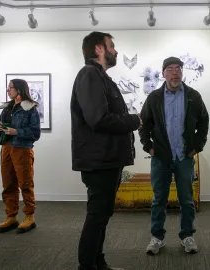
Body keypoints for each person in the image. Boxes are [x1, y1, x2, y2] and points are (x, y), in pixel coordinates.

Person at [71, 31, 141, 270]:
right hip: (99, 161)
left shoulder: (99, 77)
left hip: (106, 160)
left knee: (101, 216)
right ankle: (87, 266)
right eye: (112, 46)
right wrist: (134, 120)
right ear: (99, 49)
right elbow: (98, 119)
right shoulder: (90, 75)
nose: (116, 51)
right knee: (97, 217)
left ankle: (98, 263)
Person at [139, 57, 209, 255]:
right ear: (163, 74)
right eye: (170, 69)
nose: (175, 72)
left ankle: (187, 235)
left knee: (186, 199)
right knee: (158, 199)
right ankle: (157, 237)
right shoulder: (154, 98)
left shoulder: (193, 96)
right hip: (161, 156)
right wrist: (149, 147)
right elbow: (143, 124)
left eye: (178, 68)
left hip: (184, 156)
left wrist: (196, 147)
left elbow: (204, 123)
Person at [0, 79, 41, 234]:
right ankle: (11, 217)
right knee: (8, 184)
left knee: (25, 184)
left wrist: (17, 132)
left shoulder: (30, 108)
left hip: (22, 149)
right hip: (6, 149)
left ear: (19, 89)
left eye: (10, 88)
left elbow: (35, 133)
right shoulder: (6, 108)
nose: (8, 90)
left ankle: (29, 217)